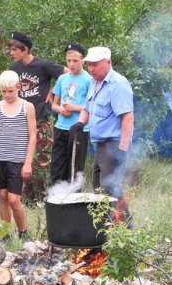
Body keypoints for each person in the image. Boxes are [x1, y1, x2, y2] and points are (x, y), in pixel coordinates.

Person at [74, 46, 134, 226]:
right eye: (89, 65)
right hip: (99, 145)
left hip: (113, 145)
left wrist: (122, 149)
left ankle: (125, 230)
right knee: (99, 189)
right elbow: (86, 108)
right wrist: (80, 123)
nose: (91, 69)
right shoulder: (94, 82)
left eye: (95, 65)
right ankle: (105, 229)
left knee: (110, 189)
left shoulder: (118, 84)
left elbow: (128, 117)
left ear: (108, 62)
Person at [8, 31, 66, 203]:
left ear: (25, 49)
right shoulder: (14, 69)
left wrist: (54, 91)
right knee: (22, 161)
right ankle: (25, 200)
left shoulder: (43, 66)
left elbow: (67, 73)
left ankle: (40, 200)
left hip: (41, 121)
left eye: (14, 50)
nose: (11, 53)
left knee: (40, 162)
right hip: (21, 122)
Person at [0, 70, 37, 239]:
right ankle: (5, 234)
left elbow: (33, 135)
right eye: (3, 91)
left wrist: (28, 162)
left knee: (14, 199)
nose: (7, 94)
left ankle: (23, 232)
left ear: (18, 88)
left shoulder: (27, 107)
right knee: (3, 196)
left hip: (17, 159)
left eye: (10, 91)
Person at [50, 43, 93, 185]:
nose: (71, 64)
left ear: (83, 60)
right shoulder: (62, 79)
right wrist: (61, 110)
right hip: (60, 127)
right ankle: (54, 199)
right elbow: (54, 105)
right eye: (68, 61)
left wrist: (75, 108)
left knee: (74, 168)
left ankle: (73, 201)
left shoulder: (88, 80)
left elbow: (92, 108)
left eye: (75, 61)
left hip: (78, 128)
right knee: (57, 165)